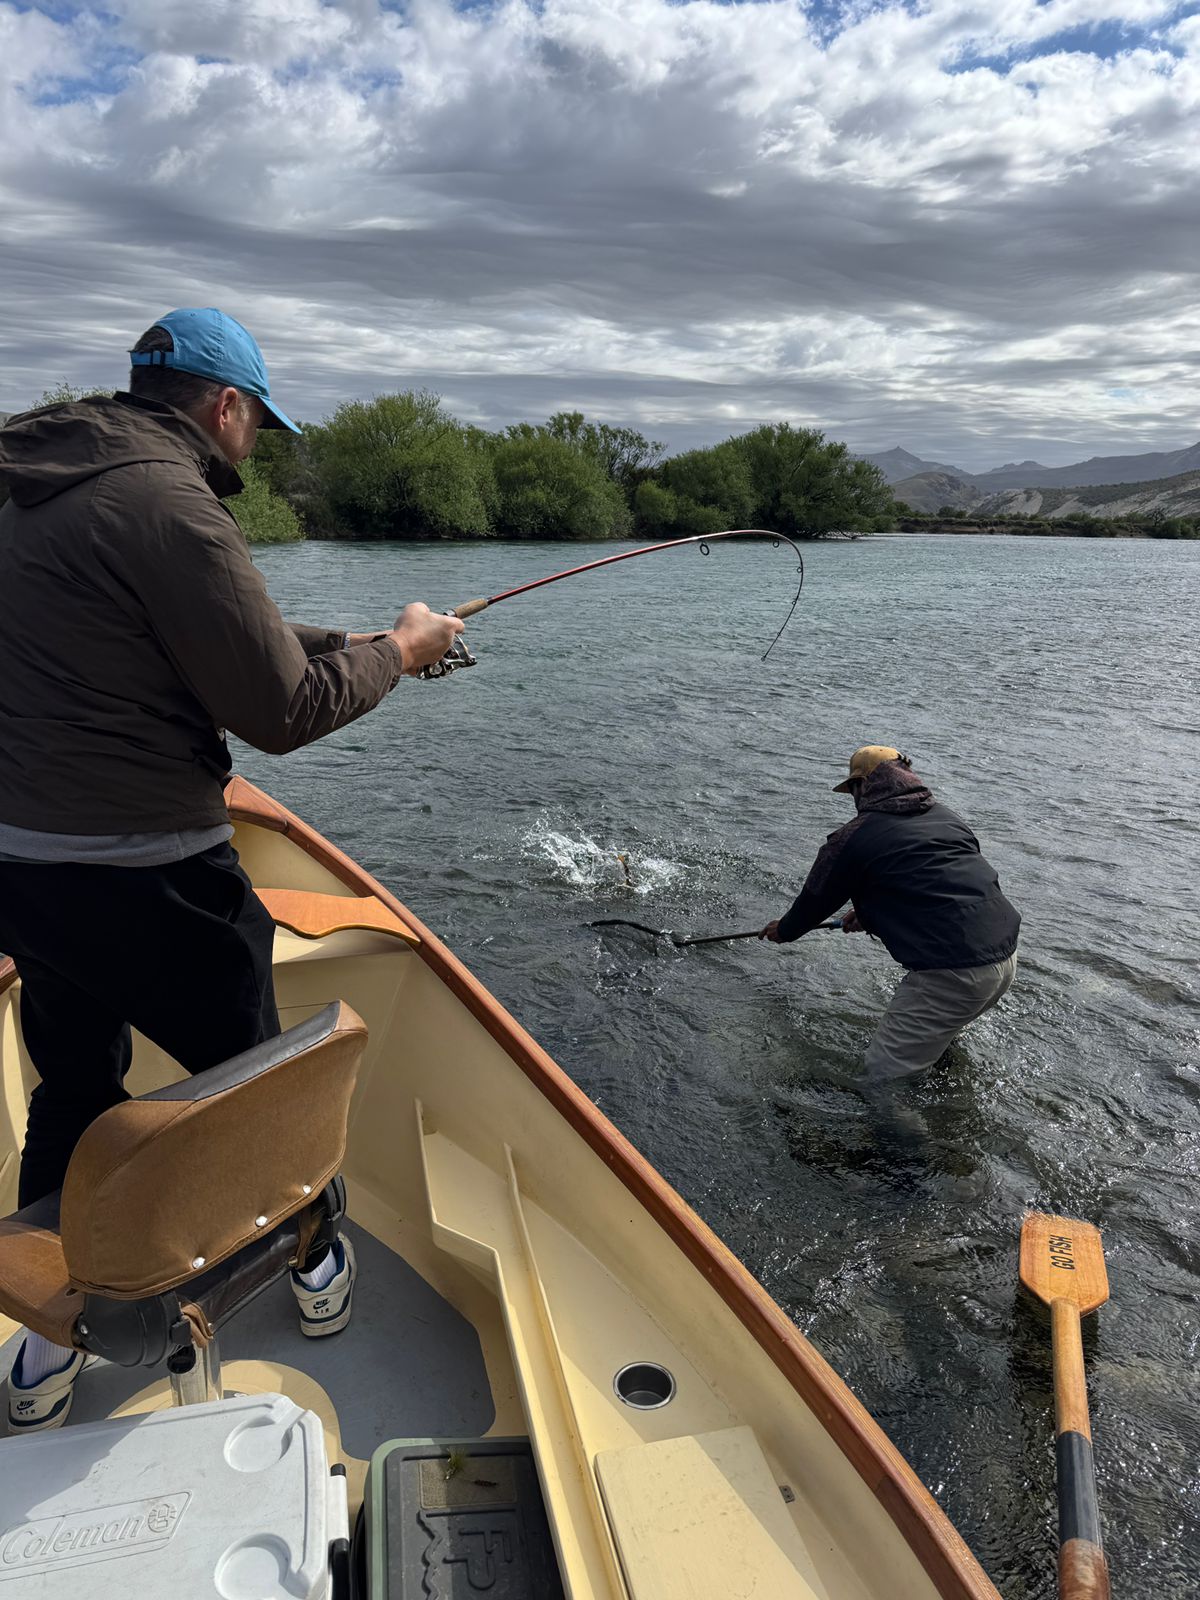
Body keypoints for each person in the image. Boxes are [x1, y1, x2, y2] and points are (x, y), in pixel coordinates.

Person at [0, 308, 465, 1431]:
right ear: (226, 407)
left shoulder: (33, 482)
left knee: (72, 1079)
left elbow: (151, 627)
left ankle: (41, 1348)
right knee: (259, 1084)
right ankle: (312, 1274)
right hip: (157, 873)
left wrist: (320, 634)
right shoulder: (174, 506)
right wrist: (399, 652)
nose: (251, 444)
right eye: (256, 422)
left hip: (26, 870)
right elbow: (281, 712)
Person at [761, 745, 1020, 1102]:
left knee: (883, 1083)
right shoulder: (947, 817)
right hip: (1005, 959)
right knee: (937, 1041)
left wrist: (785, 930)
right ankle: (944, 1101)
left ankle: (909, 1158)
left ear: (862, 786)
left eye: (852, 790)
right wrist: (870, 914)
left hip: (953, 971)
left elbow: (814, 901)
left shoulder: (853, 836)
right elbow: (941, 884)